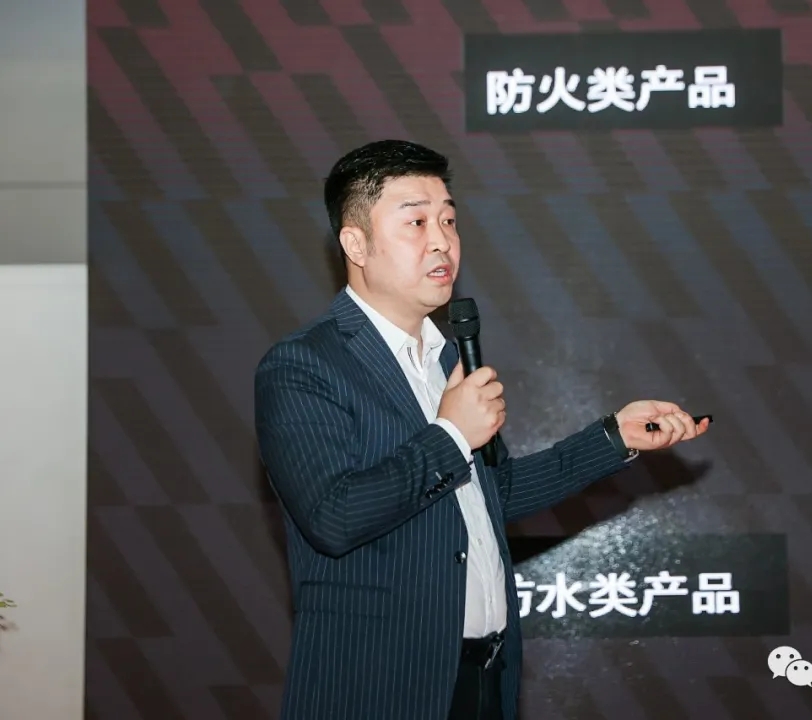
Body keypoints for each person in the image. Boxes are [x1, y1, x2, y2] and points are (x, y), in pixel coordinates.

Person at [253, 139, 709, 720]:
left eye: (448, 220)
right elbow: (333, 516)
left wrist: (613, 437)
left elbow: (498, 491)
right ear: (356, 244)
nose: (441, 240)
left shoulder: (445, 359)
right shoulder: (304, 364)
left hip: (483, 679)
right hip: (378, 686)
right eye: (416, 222)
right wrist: (450, 434)